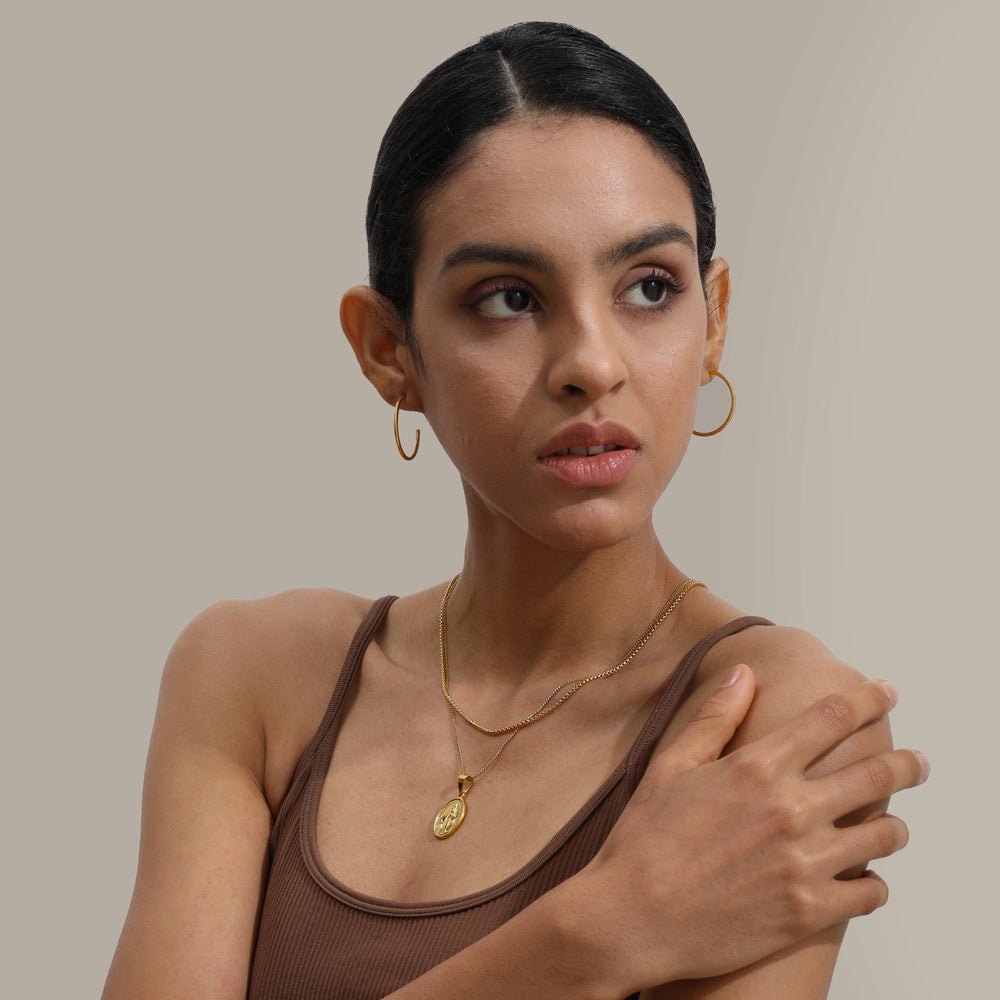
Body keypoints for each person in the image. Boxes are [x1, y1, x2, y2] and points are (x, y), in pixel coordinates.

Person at [102, 22, 928, 1000]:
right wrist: (600, 932)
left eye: (649, 287)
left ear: (714, 319)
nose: (591, 364)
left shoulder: (776, 720)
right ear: (387, 349)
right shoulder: (254, 678)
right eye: (507, 298)